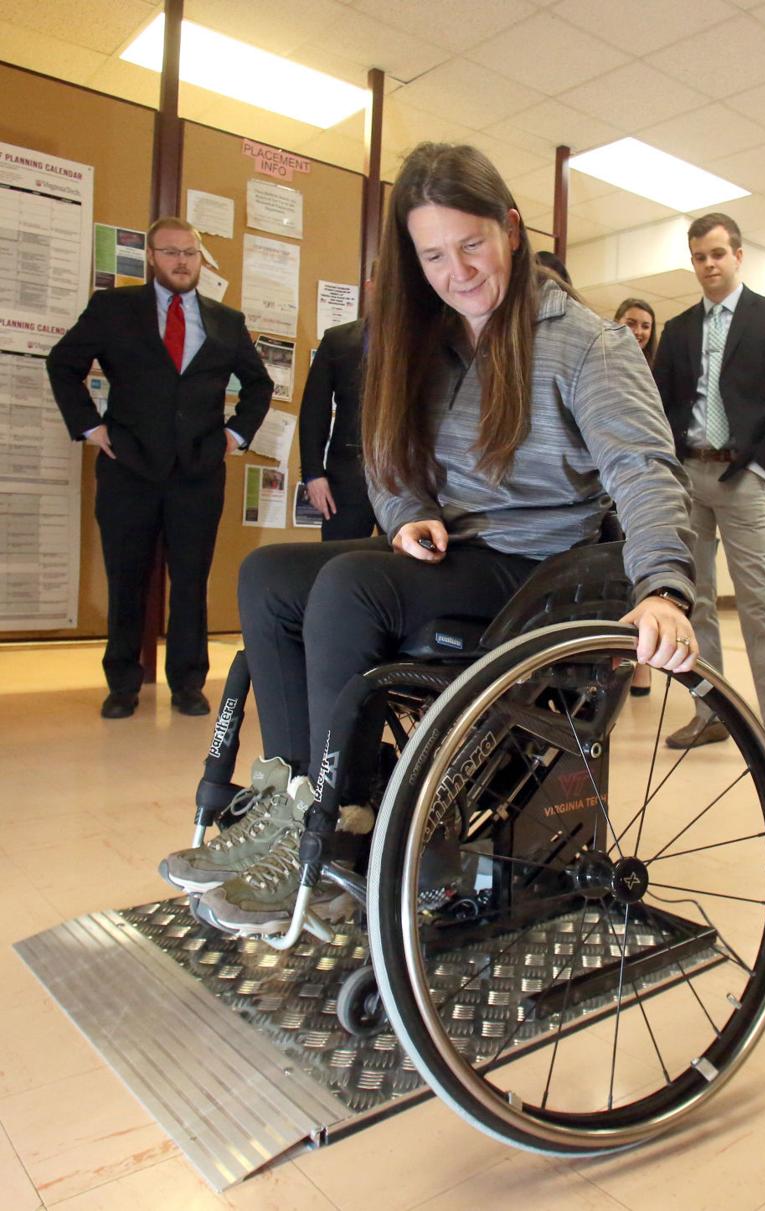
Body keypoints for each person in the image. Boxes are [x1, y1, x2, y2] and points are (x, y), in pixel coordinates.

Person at [159, 142, 699, 935]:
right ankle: (296, 800)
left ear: (511, 228)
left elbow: (646, 470)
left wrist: (663, 587)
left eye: (472, 244)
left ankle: (343, 822)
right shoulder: (427, 340)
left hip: (537, 569)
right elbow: (386, 457)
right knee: (270, 575)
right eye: (434, 254)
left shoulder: (589, 346)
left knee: (351, 588)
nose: (458, 271)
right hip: (452, 551)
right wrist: (407, 508)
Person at [46, 217, 272, 719]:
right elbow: (63, 363)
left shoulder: (226, 321)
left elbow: (258, 385)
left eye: (190, 253)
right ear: (151, 257)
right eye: (170, 253)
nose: (181, 262)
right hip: (128, 468)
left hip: (197, 472)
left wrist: (234, 436)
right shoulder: (114, 310)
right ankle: (122, 683)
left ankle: (189, 682)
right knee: (126, 577)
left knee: (191, 580)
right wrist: (90, 427)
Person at [653, 213, 765, 776]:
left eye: (718, 254)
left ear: (739, 255)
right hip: (689, 475)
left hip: (743, 476)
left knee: (760, 605)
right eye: (699, 256)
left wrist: (761, 466)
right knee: (696, 598)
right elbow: (664, 403)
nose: (708, 265)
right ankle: (710, 714)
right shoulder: (678, 331)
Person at [299, 273, 375, 540]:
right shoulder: (338, 340)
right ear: (370, 287)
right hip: (346, 480)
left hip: (405, 482)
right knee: (339, 561)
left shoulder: (422, 344)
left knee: (405, 569)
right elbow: (313, 412)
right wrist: (312, 475)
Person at [615, 298, 659, 696]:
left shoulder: (656, 374)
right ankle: (610, 658)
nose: (640, 331)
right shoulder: (603, 359)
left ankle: (640, 663)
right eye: (632, 322)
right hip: (604, 483)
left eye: (646, 325)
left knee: (637, 573)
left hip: (640, 485)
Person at [615, 298, 657, 366]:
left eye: (645, 326)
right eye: (631, 323)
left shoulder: (657, 369)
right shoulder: (601, 361)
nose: (638, 332)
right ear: (616, 323)